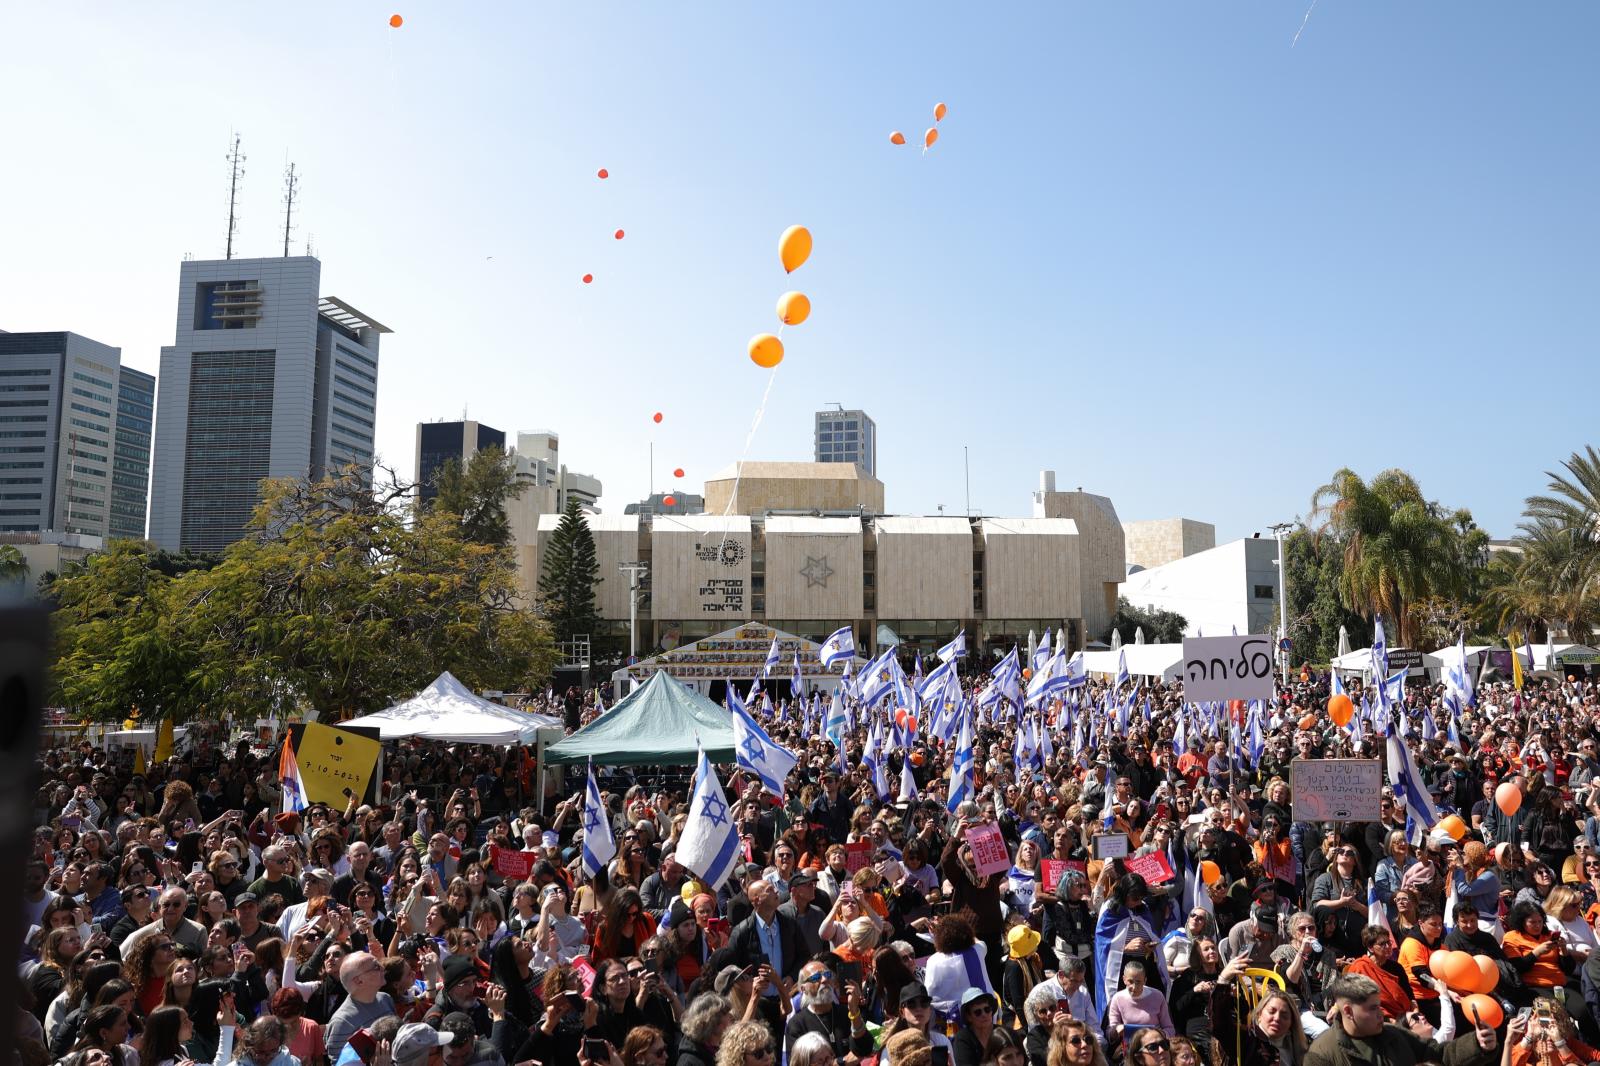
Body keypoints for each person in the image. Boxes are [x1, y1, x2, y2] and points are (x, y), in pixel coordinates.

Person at [1307, 972, 1496, 1066]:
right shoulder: (1322, 1055)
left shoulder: (1395, 1034)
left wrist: (1477, 1043)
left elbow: (1440, 1053)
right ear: (1348, 1011)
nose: (1381, 1014)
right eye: (1372, 1008)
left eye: (1379, 1006)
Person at [1213, 960, 1309, 1066]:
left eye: (1284, 1016)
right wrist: (1223, 980)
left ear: (1292, 1022)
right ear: (1259, 1015)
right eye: (1271, 1011)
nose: (1277, 1018)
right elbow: (1219, 1024)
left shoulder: (1298, 1048)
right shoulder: (1245, 1040)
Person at [783, 961, 872, 1064]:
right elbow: (797, 1063)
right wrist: (842, 1062)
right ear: (803, 989)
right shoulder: (797, 1024)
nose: (824, 980)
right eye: (816, 978)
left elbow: (865, 1049)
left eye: (827, 974)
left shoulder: (848, 1012)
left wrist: (854, 1010)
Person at [324, 952, 395, 1061]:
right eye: (376, 966)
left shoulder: (385, 999)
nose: (382, 967)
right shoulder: (343, 1022)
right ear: (359, 981)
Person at [923, 913, 994, 1018]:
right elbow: (975, 940)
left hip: (954, 1020)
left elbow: (929, 993)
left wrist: (938, 932)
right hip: (986, 1014)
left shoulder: (934, 961)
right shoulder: (978, 950)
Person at [1345, 926, 1418, 1020]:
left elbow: (1410, 996)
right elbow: (1357, 999)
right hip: (1375, 1019)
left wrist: (1415, 1014)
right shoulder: (1361, 967)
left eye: (1388, 942)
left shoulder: (1397, 968)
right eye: (1382, 944)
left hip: (1404, 1017)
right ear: (1371, 948)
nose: (1388, 946)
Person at [1107, 960, 1175, 1044]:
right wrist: (1117, 1029)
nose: (1134, 987)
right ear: (1124, 979)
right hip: (1129, 1045)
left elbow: (1169, 1029)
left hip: (1155, 1043)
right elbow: (1111, 1030)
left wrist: (1158, 1037)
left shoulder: (1157, 996)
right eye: (1130, 981)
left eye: (1138, 982)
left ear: (1145, 981)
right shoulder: (1117, 998)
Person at [952, 988, 1002, 1066]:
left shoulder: (1002, 1032)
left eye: (987, 1009)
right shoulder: (962, 1039)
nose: (984, 1014)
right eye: (978, 1012)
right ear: (969, 1017)